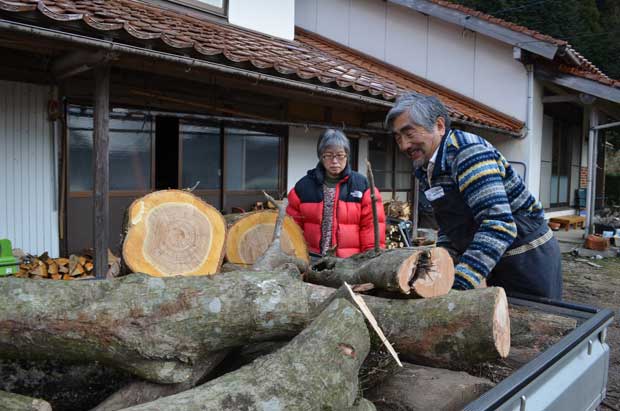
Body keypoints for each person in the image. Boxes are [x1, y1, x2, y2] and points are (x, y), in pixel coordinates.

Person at [385, 92, 562, 299]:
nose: (404, 145)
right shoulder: (426, 168)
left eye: (410, 133)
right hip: (494, 258)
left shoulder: (468, 154)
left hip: (526, 257)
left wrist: (459, 283)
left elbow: (498, 225)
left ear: (440, 126)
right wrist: (441, 267)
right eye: (398, 137)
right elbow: (449, 226)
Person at [286, 129, 386, 258]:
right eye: (328, 155)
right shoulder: (303, 187)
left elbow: (371, 227)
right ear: (321, 156)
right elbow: (292, 227)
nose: (334, 161)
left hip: (350, 262)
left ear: (347, 155)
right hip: (312, 258)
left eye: (340, 155)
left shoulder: (362, 186)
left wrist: (370, 258)